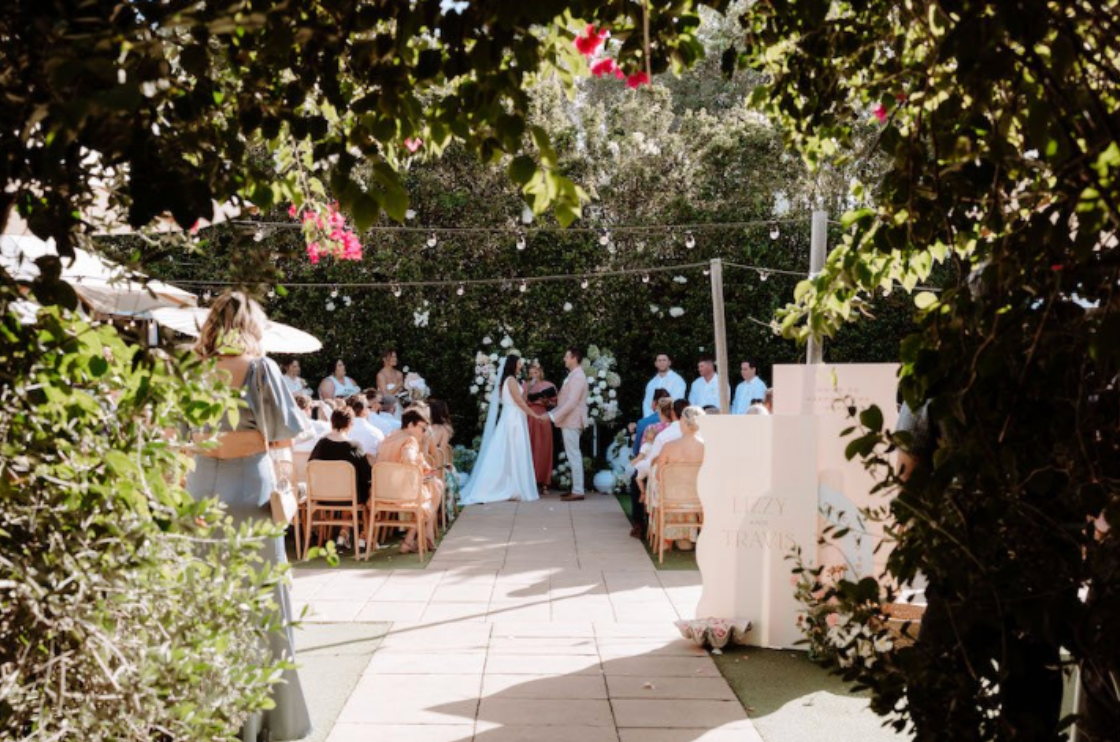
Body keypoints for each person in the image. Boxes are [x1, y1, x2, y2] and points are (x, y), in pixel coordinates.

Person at [184, 291, 311, 742]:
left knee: (208, 605)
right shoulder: (261, 371)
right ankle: (265, 721)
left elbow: (180, 437)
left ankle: (208, 714)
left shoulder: (191, 371)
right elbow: (285, 437)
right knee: (263, 605)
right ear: (251, 325)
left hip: (200, 494)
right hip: (252, 497)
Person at [459, 353, 540, 505]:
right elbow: (519, 403)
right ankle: (510, 486)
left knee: (512, 452)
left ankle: (513, 485)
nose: (521, 365)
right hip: (513, 419)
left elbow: (522, 400)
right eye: (519, 363)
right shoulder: (510, 381)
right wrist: (534, 415)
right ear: (513, 364)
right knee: (512, 450)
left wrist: (527, 389)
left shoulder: (510, 381)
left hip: (514, 417)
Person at [376, 407, 444, 553]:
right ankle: (417, 535)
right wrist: (420, 472)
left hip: (380, 492)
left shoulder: (388, 437)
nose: (424, 432)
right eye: (422, 428)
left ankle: (419, 534)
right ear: (410, 425)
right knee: (436, 486)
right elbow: (409, 458)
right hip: (400, 493)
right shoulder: (410, 439)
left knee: (433, 484)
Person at [308, 406, 372, 552]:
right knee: (367, 490)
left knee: (352, 489)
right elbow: (366, 475)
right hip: (350, 497)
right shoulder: (354, 446)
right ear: (350, 424)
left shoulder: (321, 444)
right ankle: (363, 536)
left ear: (332, 422)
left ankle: (344, 534)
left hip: (322, 496)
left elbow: (311, 466)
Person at [653, 405, 706, 551]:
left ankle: (667, 538)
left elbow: (659, 475)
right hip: (697, 498)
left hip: (670, 499)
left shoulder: (668, 447)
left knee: (658, 489)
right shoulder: (706, 447)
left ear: (682, 421)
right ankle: (685, 537)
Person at [549, 347, 590, 502]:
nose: (564, 359)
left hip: (572, 420)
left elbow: (572, 402)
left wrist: (553, 416)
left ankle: (578, 490)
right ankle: (576, 488)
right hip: (569, 419)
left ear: (574, 358)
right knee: (572, 454)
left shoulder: (578, 376)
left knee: (574, 455)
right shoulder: (573, 375)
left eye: (566, 356)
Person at [523, 359, 557, 493]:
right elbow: (521, 401)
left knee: (544, 448)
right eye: (532, 371)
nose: (534, 373)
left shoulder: (549, 385)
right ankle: (530, 481)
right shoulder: (524, 385)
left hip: (543, 417)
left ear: (541, 371)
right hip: (528, 416)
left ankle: (545, 482)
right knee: (529, 448)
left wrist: (547, 401)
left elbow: (556, 404)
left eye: (537, 370)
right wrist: (529, 388)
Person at [642, 353, 687, 417]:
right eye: (659, 360)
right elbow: (647, 403)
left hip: (670, 418)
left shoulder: (677, 380)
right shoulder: (651, 383)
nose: (661, 362)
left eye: (664, 360)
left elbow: (677, 401)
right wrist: (648, 419)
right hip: (652, 419)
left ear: (669, 363)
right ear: (656, 364)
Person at [376, 348, 405, 416]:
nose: (395, 359)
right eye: (392, 357)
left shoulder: (399, 374)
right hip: (387, 408)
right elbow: (386, 395)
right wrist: (398, 385)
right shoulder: (381, 375)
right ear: (384, 359)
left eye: (395, 357)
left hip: (400, 406)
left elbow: (402, 392)